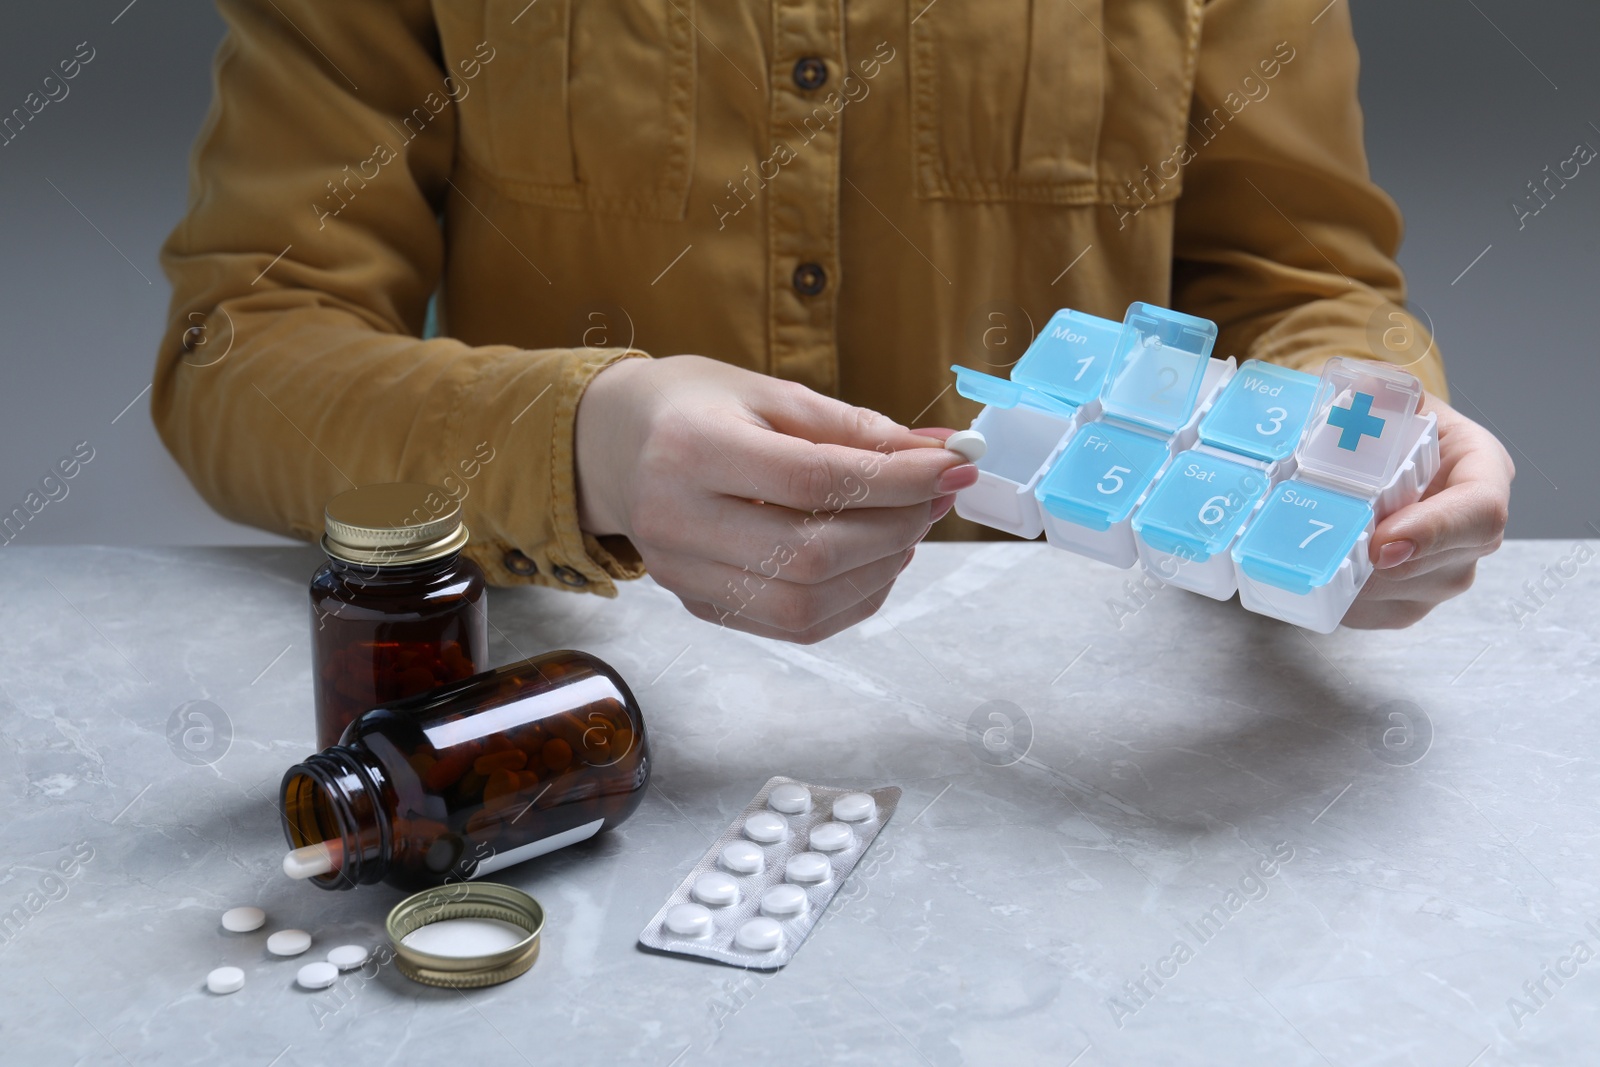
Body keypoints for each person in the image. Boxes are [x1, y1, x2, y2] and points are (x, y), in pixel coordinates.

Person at [154, 0, 1511, 644]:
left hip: (1089, 733)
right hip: (588, 665)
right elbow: (245, 343)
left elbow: (1294, 281)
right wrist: (582, 440)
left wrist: (1367, 424)